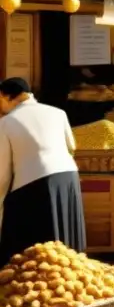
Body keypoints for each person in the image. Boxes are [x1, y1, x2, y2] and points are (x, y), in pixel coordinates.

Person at [0, 78, 85, 261]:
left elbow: (3, 171)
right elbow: (71, 146)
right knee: (66, 241)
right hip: (68, 176)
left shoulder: (6, 123)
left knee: (32, 245)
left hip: (35, 182)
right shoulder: (58, 113)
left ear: (7, 96)